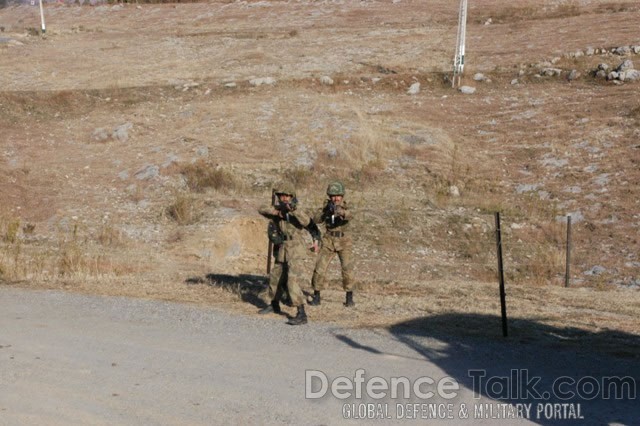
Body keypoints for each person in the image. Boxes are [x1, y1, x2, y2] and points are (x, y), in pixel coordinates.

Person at [258, 183, 320, 325]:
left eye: (286, 196)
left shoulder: (296, 210)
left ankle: (301, 313)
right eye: (281, 196)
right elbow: (261, 209)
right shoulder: (278, 208)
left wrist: (293, 211)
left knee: (292, 281)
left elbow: (307, 222)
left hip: (295, 249)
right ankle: (274, 304)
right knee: (275, 278)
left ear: (292, 196)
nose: (284, 199)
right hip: (282, 248)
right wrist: (278, 212)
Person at [309, 181, 355, 307]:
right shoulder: (326, 207)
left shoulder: (346, 206)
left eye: (338, 196)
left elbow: (350, 215)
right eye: (333, 196)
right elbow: (316, 220)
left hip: (344, 241)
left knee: (347, 269)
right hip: (329, 240)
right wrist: (325, 212)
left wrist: (341, 212)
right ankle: (316, 295)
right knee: (320, 269)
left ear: (342, 196)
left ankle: (349, 296)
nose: (335, 198)